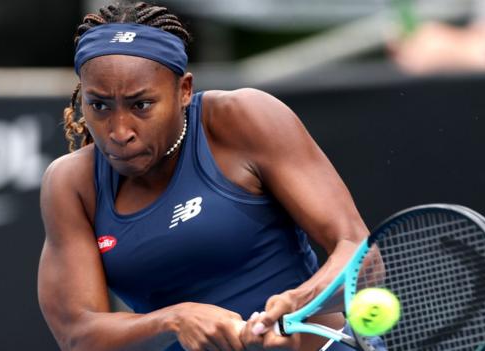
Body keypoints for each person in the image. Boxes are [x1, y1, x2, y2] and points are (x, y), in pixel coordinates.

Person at [38, 2, 381, 350]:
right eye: (99, 106)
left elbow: (363, 257)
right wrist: (175, 319)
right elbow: (77, 335)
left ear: (184, 90)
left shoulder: (243, 118)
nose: (120, 130)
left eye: (140, 105)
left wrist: (298, 302)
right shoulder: (71, 184)